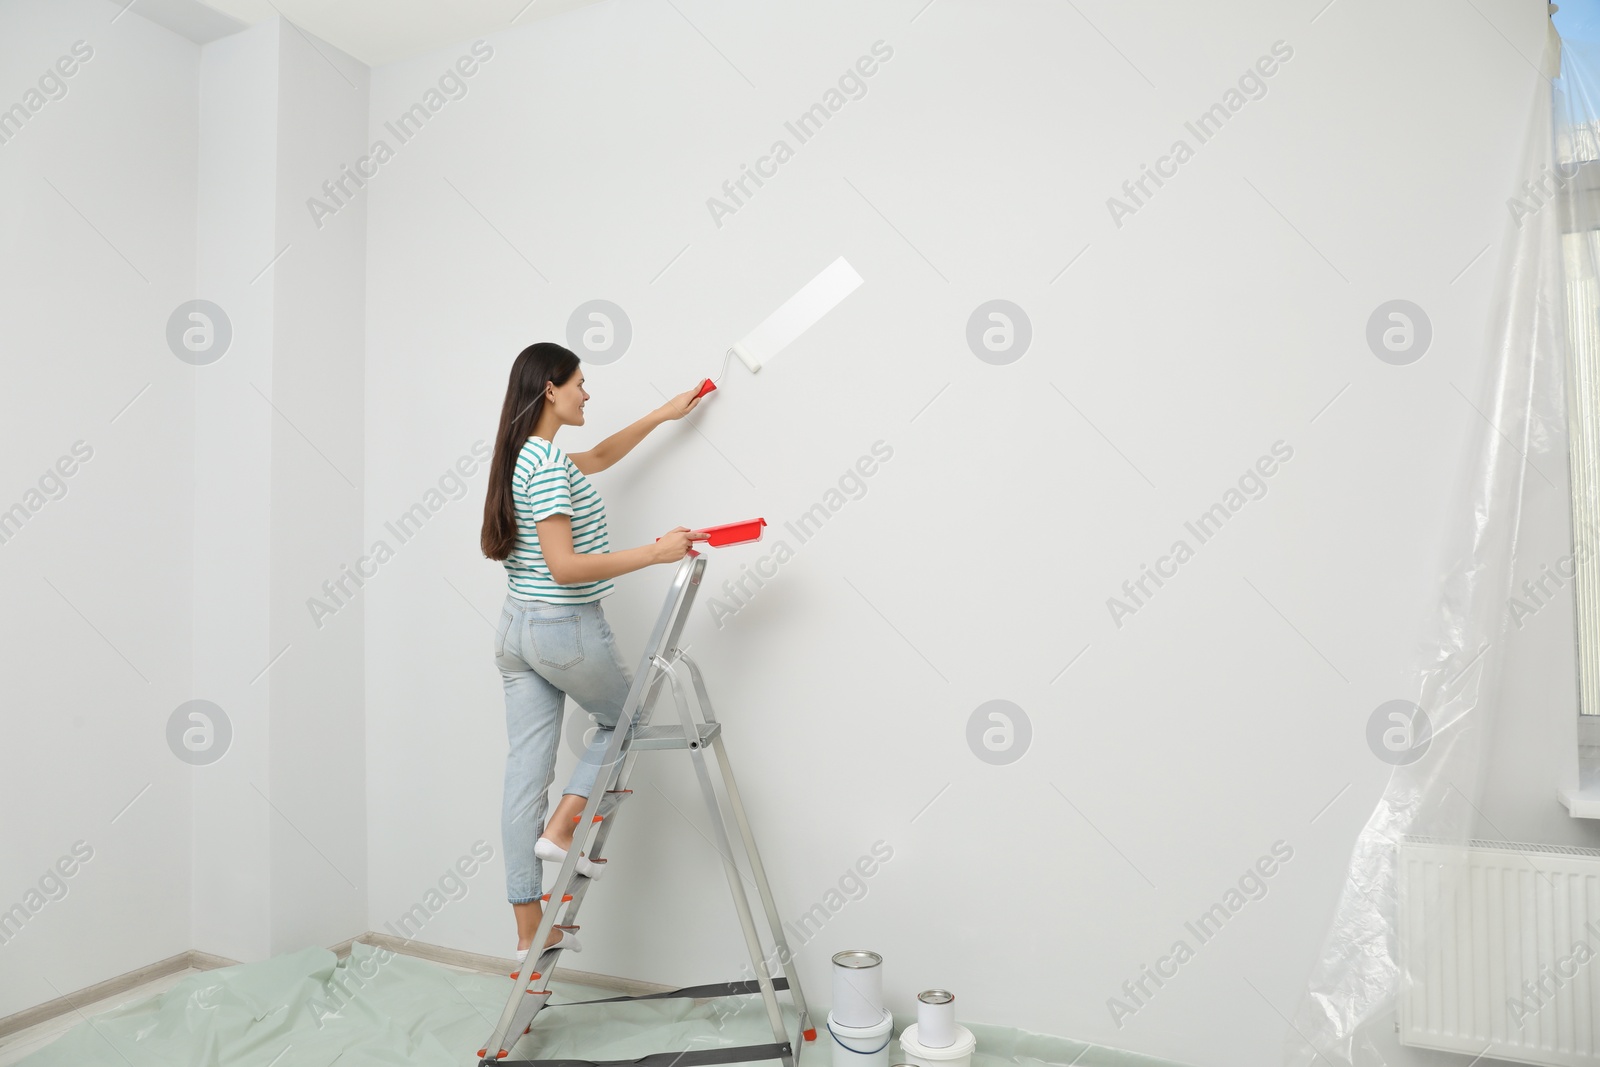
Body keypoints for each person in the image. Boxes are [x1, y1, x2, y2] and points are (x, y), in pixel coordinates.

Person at [479, 341, 707, 962]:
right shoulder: (548, 466)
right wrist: (655, 554)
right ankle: (564, 826)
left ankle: (528, 928)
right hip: (562, 627)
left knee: (524, 774)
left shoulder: (527, 455)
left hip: (515, 633)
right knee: (625, 720)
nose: (587, 393)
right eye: (579, 382)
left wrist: (663, 414)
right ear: (550, 389)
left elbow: (601, 456)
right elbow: (565, 566)